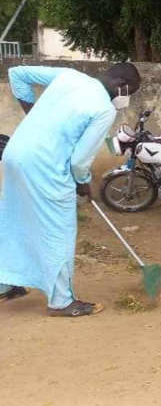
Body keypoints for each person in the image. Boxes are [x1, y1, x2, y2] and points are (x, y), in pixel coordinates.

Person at [0, 63, 141, 316]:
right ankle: (62, 302)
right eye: (130, 92)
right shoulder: (103, 109)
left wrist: (32, 115)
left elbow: (16, 74)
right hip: (46, 166)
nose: (126, 99)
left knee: (15, 220)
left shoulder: (69, 76)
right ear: (121, 85)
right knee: (59, 230)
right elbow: (78, 161)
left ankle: (5, 285)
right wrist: (83, 182)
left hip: (15, 155)